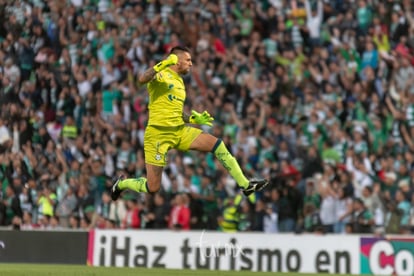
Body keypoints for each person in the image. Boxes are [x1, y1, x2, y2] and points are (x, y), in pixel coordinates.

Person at [110, 46, 269, 201]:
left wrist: (192, 119)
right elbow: (142, 79)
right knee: (153, 187)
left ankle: (245, 184)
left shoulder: (179, 82)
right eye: (188, 60)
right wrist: (164, 63)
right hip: (158, 136)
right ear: (176, 61)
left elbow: (176, 113)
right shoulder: (162, 74)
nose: (191, 64)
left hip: (179, 131)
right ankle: (122, 184)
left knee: (218, 145)